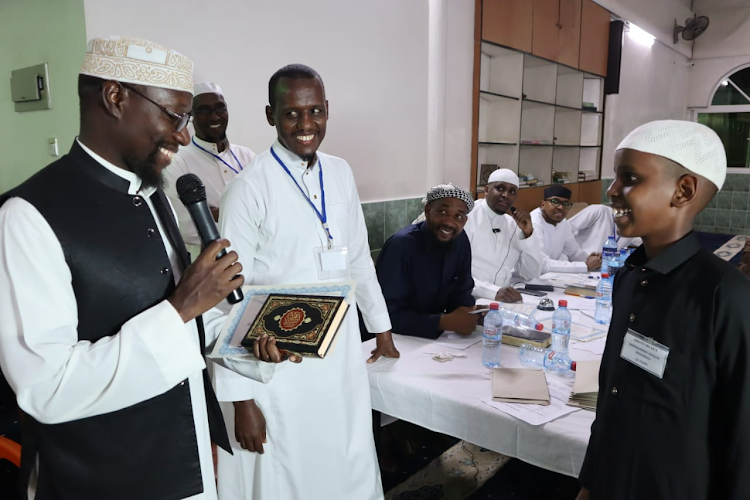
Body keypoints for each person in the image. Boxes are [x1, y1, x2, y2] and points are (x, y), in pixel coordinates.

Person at [0, 37, 243, 500]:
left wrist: (243, 335)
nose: (184, 135)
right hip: (106, 478)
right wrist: (181, 307)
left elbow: (181, 316)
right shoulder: (27, 217)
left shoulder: (155, 196)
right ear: (115, 98)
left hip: (185, 459)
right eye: (174, 116)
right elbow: (45, 388)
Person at [215, 64, 399, 500]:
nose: (305, 124)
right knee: (292, 471)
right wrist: (241, 400)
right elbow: (226, 298)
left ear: (327, 111)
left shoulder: (339, 172)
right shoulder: (248, 188)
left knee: (345, 454)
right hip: (280, 360)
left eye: (315, 111)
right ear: (270, 115)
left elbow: (357, 256)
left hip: (340, 355)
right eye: (291, 113)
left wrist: (382, 328)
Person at [577, 120, 750, 500]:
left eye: (629, 178)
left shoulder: (726, 295)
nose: (611, 191)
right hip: (614, 478)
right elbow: (611, 393)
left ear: (683, 190)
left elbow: (741, 435)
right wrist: (591, 479)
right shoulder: (628, 278)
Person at [164, 81, 256, 258]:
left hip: (255, 260)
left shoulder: (248, 157)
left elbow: (268, 212)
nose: (215, 117)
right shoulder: (177, 161)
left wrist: (215, 213)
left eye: (220, 108)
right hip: (208, 267)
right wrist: (245, 216)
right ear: (191, 115)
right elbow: (186, 227)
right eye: (204, 110)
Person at [374, 183, 477, 339]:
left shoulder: (460, 240)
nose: (449, 222)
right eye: (443, 212)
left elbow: (462, 292)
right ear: (428, 211)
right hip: (389, 339)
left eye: (458, 216)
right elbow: (384, 314)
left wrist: (470, 312)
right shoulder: (401, 245)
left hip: (433, 339)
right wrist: (442, 322)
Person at [463, 168, 543, 302]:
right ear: (487, 190)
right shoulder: (467, 218)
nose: (506, 195)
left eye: (512, 192)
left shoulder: (513, 224)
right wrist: (493, 292)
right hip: (470, 299)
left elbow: (531, 274)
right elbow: (455, 275)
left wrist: (528, 234)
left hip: (504, 302)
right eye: (500, 188)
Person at [530, 185, 601, 273]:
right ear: (543, 204)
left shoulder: (563, 222)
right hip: (525, 279)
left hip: (549, 276)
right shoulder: (533, 223)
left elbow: (573, 252)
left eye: (566, 204)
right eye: (555, 202)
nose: (561, 207)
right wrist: (585, 266)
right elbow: (542, 264)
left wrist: (593, 261)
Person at [569, 203, 642, 255]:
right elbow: (565, 230)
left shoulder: (634, 227)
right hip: (577, 264)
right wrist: (579, 257)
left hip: (605, 269)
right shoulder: (599, 211)